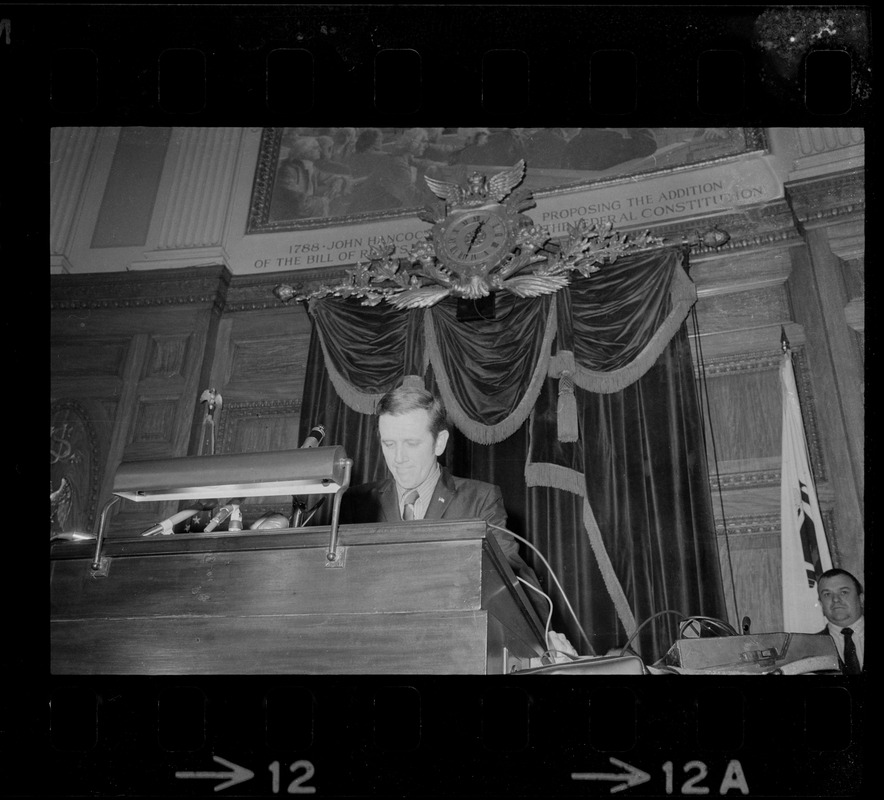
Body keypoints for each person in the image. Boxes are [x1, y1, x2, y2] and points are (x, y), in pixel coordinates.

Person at [339, 385, 537, 585]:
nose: (398, 458)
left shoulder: (480, 501)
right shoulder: (355, 503)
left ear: (439, 442)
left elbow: (519, 585)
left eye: (411, 444)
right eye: (389, 444)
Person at [816, 568, 865, 674]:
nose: (835, 599)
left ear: (861, 599)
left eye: (843, 592)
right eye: (827, 594)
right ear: (821, 604)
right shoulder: (810, 647)